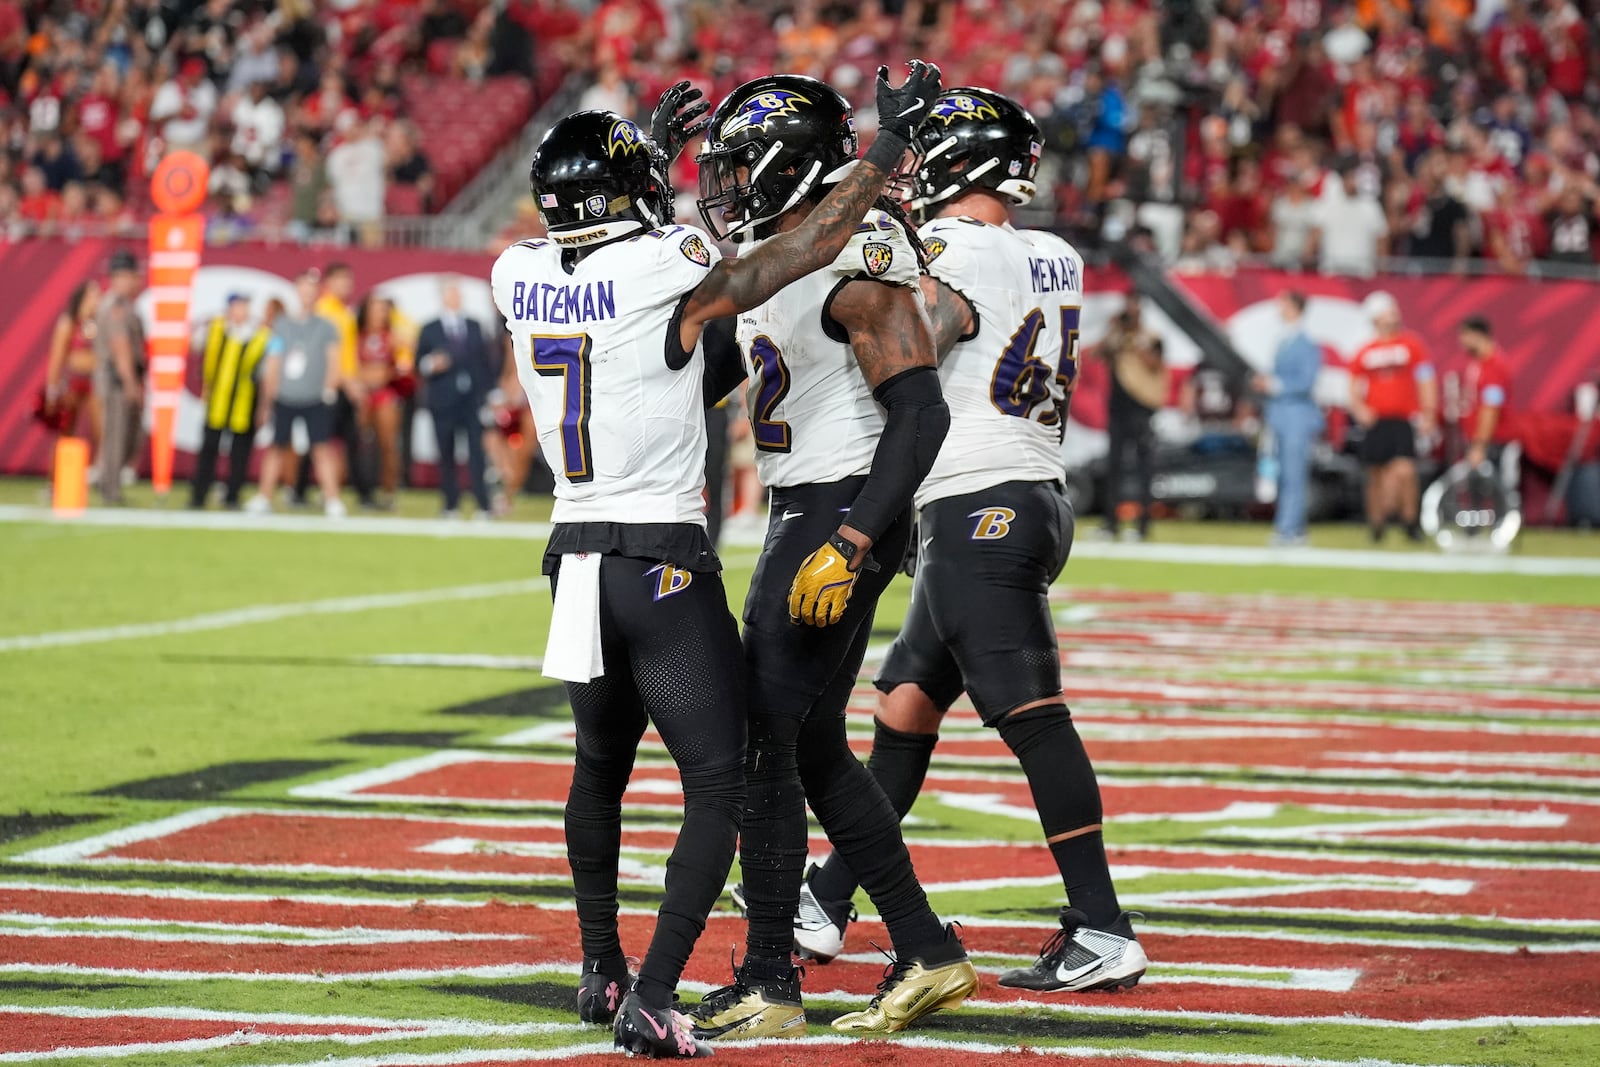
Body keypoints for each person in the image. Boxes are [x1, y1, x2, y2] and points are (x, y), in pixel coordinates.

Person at [489, 62, 943, 1058]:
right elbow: (802, 244)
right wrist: (885, 156)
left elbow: (691, 333)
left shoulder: (514, 271)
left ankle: (600, 962)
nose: (709, 188)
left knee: (598, 767)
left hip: (570, 553)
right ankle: (657, 991)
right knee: (726, 778)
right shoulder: (673, 264)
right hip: (657, 552)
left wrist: (639, 165)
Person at [797, 86, 1148, 995]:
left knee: (1032, 716)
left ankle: (1103, 925)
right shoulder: (1054, 254)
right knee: (906, 701)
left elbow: (924, 334)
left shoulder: (948, 249)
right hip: (1031, 493)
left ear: (961, 161)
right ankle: (827, 898)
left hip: (977, 502)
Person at [687, 73, 973, 1044]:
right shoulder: (792, 252)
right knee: (804, 744)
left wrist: (852, 540)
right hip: (810, 500)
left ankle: (770, 970)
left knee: (765, 742)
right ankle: (926, 947)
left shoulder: (850, 251)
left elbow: (921, 410)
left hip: (836, 506)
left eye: (737, 160)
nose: (725, 179)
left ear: (790, 160)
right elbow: (723, 366)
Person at [248, 270, 346, 518]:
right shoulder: (282, 325)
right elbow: (273, 361)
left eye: (312, 290)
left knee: (321, 449)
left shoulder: (326, 327)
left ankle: (333, 499)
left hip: (315, 397)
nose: (307, 295)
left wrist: (329, 389)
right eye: (303, 289)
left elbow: (334, 361)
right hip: (286, 396)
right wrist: (269, 398)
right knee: (277, 448)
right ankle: (264, 497)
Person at [1349, 290, 1436, 543]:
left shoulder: (1411, 344)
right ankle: (1376, 525)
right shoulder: (1366, 350)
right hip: (1377, 421)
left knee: (1404, 470)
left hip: (1402, 419)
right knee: (1375, 474)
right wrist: (1360, 408)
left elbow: (1425, 378)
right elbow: (1353, 385)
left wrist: (1429, 412)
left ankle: (1410, 521)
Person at [190, 293, 276, 509]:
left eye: (245, 306)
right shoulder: (216, 329)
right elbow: (194, 344)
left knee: (240, 454)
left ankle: (232, 496)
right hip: (217, 401)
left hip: (244, 403)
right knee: (208, 450)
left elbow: (266, 373)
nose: (242, 311)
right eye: (238, 306)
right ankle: (198, 496)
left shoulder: (260, 335)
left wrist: (264, 406)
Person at [417, 278, 492, 517]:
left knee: (476, 454)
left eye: (458, 294)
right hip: (443, 399)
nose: (455, 298)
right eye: (451, 294)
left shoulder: (473, 326)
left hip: (470, 399)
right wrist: (432, 364)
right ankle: (450, 503)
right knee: (446, 453)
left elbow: (484, 363)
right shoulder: (430, 328)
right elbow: (419, 362)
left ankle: (483, 503)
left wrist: (487, 394)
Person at [1255, 290, 1324, 546]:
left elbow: (1306, 381)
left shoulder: (1306, 343)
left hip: (1297, 414)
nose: (1279, 310)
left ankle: (1291, 528)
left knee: (1294, 473)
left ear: (1295, 308)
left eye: (1283, 305)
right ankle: (1288, 525)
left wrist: (1274, 385)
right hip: (1280, 413)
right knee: (1282, 473)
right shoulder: (1284, 340)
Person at [1099, 296, 1165, 541]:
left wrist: (1138, 343)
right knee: (1113, 466)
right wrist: (1113, 330)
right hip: (1118, 408)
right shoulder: (1118, 336)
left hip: (1141, 407)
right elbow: (1097, 353)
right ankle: (1110, 523)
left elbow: (1155, 364)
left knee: (1143, 468)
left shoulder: (1151, 337)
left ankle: (1142, 525)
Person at [91, 250, 145, 505]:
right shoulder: (116, 307)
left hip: (121, 378)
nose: (137, 281)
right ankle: (108, 488)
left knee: (127, 434)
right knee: (116, 434)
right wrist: (131, 383)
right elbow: (121, 347)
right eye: (132, 275)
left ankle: (108, 483)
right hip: (117, 380)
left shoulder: (123, 305)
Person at [354, 292, 413, 508]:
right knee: (357, 443)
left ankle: (389, 490)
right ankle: (361, 489)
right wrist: (368, 376)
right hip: (361, 395)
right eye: (376, 308)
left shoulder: (393, 338)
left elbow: (403, 368)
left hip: (385, 395)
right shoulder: (356, 335)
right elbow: (351, 366)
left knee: (388, 445)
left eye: (383, 309)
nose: (380, 313)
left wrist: (384, 373)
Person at [42, 281, 102, 455]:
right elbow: (57, 358)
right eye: (93, 294)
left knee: (100, 430)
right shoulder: (69, 323)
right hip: (73, 382)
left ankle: (97, 471)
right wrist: (52, 390)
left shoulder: (100, 322)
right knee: (65, 431)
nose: (97, 298)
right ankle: (55, 477)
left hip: (95, 382)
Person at [1457, 317, 1514, 471]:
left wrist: (1480, 446)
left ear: (1477, 335)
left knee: (1492, 491)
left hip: (1492, 444)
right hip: (1476, 441)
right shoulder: (1477, 364)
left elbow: (1491, 408)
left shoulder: (1495, 366)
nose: (1461, 342)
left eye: (1464, 336)